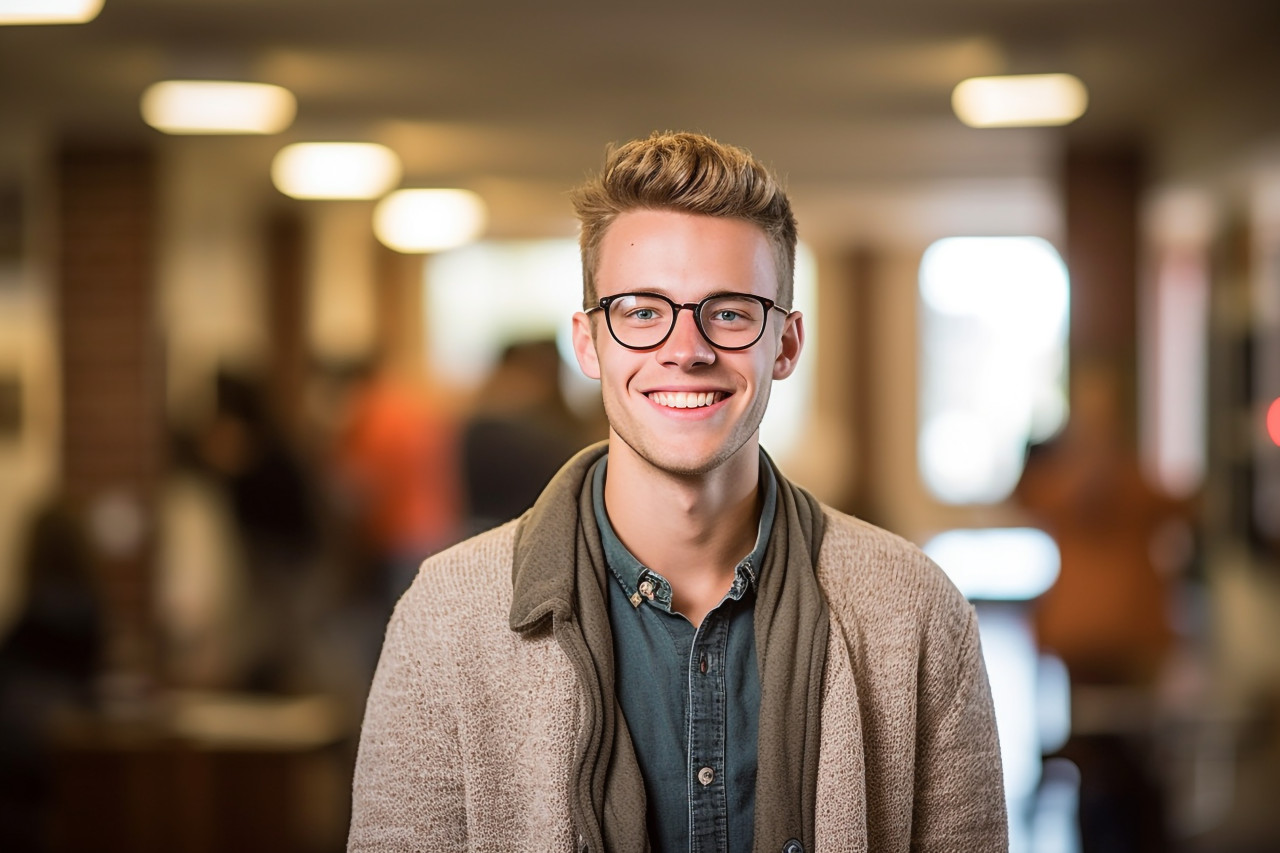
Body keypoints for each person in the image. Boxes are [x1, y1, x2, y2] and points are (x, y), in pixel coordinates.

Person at [348, 131, 1007, 852]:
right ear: (588, 343)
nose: (685, 349)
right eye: (640, 310)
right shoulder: (444, 620)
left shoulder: (914, 610)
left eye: (728, 311)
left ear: (785, 344)